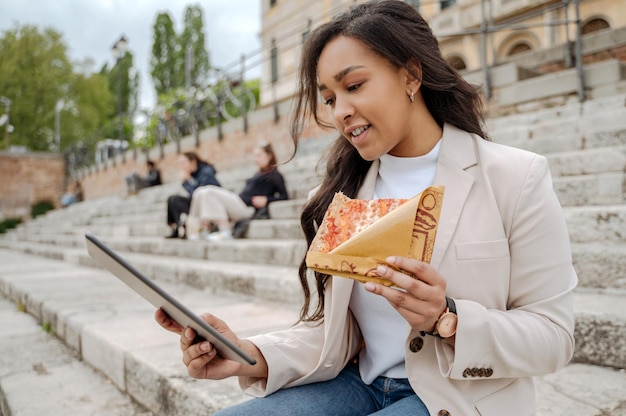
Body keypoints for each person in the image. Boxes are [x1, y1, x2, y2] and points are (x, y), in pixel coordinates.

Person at [155, 1, 577, 415]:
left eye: (353, 86)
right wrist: (249, 353)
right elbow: (334, 334)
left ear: (411, 74)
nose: (341, 111)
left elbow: (554, 338)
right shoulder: (337, 193)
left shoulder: (515, 177)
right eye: (329, 98)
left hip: (458, 396)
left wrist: (447, 319)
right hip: (359, 383)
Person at [185, 142, 289, 241]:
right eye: (255, 156)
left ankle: (225, 229)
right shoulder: (257, 173)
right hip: (238, 201)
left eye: (259, 155)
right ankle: (197, 230)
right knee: (200, 192)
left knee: (208, 191)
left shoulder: (275, 175)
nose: (256, 159)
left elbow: (285, 196)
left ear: (269, 155)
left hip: (246, 208)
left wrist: (267, 199)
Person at [166, 151, 220, 239]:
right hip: (198, 204)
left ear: (193, 162)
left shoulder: (206, 172)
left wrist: (186, 182)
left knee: (175, 200)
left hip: (208, 205)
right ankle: (176, 227)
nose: (182, 166)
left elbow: (199, 194)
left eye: (184, 163)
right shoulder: (194, 174)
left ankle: (185, 228)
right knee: (172, 199)